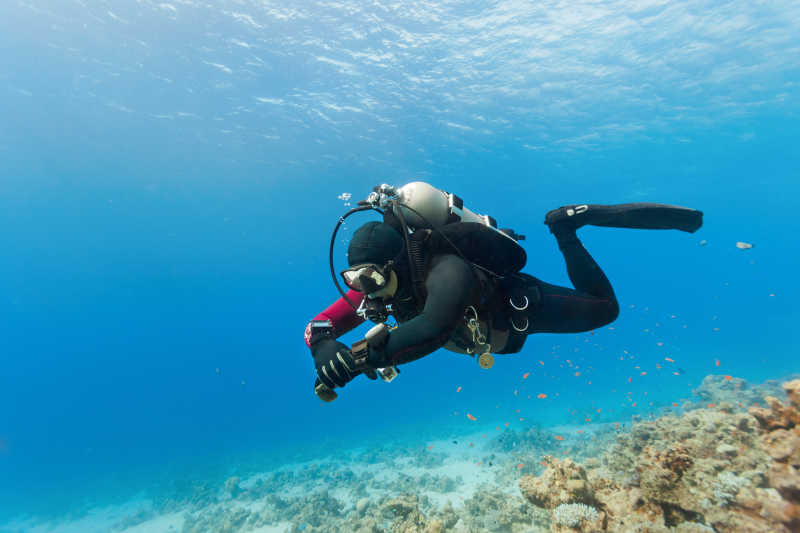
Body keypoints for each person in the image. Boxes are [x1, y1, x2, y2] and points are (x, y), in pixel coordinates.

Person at [304, 183, 703, 401]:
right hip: (487, 335)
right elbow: (319, 326)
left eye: (370, 279)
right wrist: (324, 347)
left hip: (517, 309)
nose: (364, 291)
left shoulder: (447, 270)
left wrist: (357, 359)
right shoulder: (374, 286)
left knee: (606, 309)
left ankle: (566, 228)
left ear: (396, 263)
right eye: (354, 280)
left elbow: (434, 327)